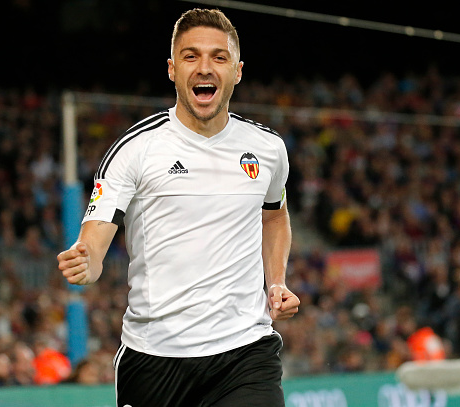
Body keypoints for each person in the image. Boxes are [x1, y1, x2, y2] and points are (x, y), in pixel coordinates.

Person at [57, 8, 300, 406]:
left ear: (237, 71)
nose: (205, 68)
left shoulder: (268, 149)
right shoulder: (134, 150)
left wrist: (276, 283)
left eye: (218, 57)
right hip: (155, 360)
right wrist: (87, 264)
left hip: (245, 353)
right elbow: (95, 240)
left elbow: (274, 214)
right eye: (191, 56)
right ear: (172, 69)